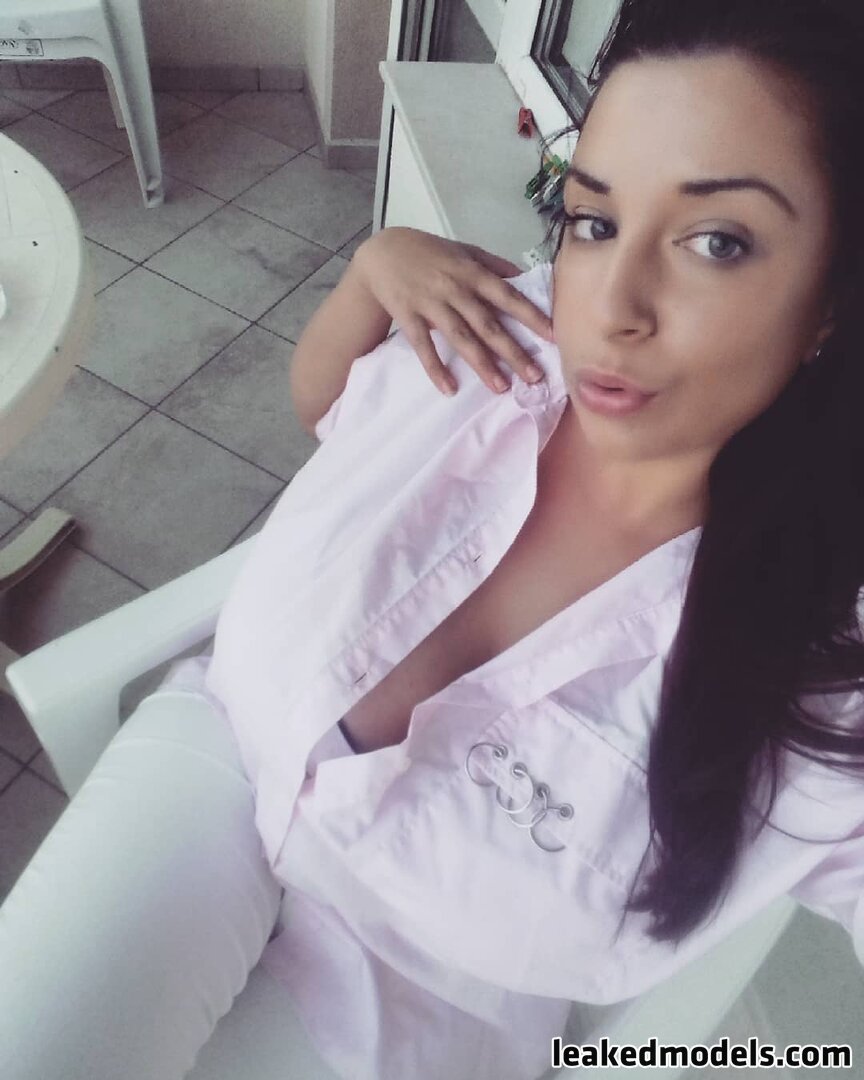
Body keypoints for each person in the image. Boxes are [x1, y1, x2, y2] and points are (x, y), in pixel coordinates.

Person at [5, 2, 862, 1079]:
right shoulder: (503, 330)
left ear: (832, 296)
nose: (613, 308)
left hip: (421, 991)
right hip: (224, 758)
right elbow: (324, 407)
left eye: (716, 241)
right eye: (594, 220)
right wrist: (375, 268)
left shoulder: (827, 647)